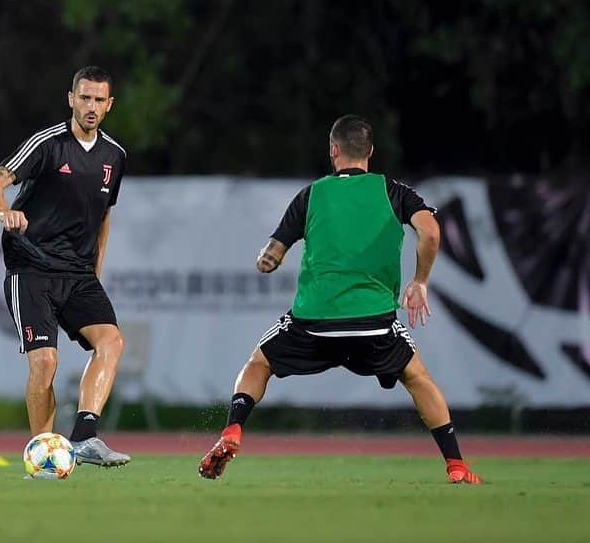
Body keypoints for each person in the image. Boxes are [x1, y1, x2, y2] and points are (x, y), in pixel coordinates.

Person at [198, 115, 483, 485]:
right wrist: (420, 281)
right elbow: (430, 232)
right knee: (418, 378)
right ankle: (456, 465)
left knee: (258, 363)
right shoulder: (394, 191)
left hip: (314, 322)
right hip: (374, 322)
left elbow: (269, 259)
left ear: (333, 150)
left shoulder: (312, 194)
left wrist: (266, 259)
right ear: (370, 152)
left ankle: (233, 429)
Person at [0, 66, 130, 467]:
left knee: (112, 341)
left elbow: (104, 218)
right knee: (45, 361)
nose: (91, 106)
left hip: (79, 274)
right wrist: (4, 212)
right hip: (31, 266)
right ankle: (44, 453)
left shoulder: (114, 156)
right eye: (84, 98)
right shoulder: (48, 143)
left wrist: (95, 272)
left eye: (99, 99)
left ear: (109, 104)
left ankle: (85, 437)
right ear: (71, 99)